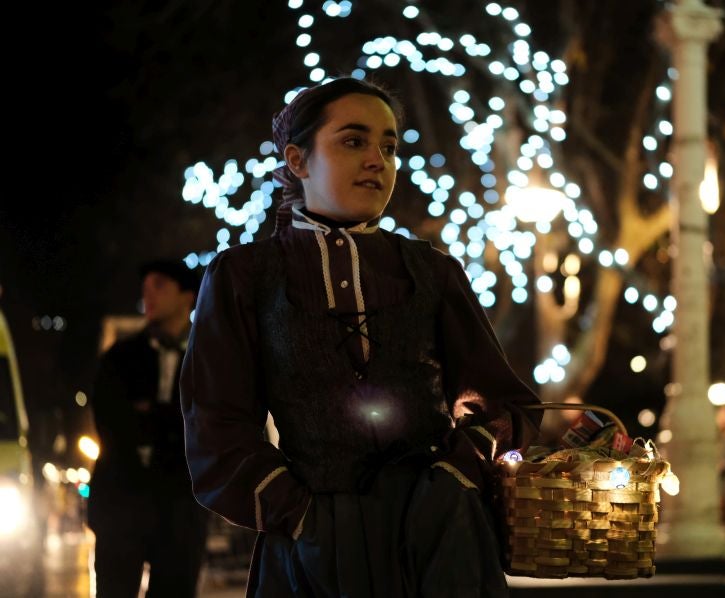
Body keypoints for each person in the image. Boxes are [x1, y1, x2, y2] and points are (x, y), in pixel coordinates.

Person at [180, 77, 542, 597]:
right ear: (298, 161)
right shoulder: (243, 275)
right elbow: (216, 430)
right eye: (354, 141)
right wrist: (300, 514)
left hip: (439, 544)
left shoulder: (432, 271)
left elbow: (508, 406)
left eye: (389, 147)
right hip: (312, 550)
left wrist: (456, 480)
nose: (378, 159)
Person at [88, 259, 209, 597]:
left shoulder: (208, 358)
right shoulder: (120, 357)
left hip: (181, 508)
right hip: (121, 504)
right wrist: (173, 418)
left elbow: (212, 424)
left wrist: (150, 414)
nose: (148, 295)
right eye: (144, 288)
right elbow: (112, 423)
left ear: (187, 295)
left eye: (159, 285)